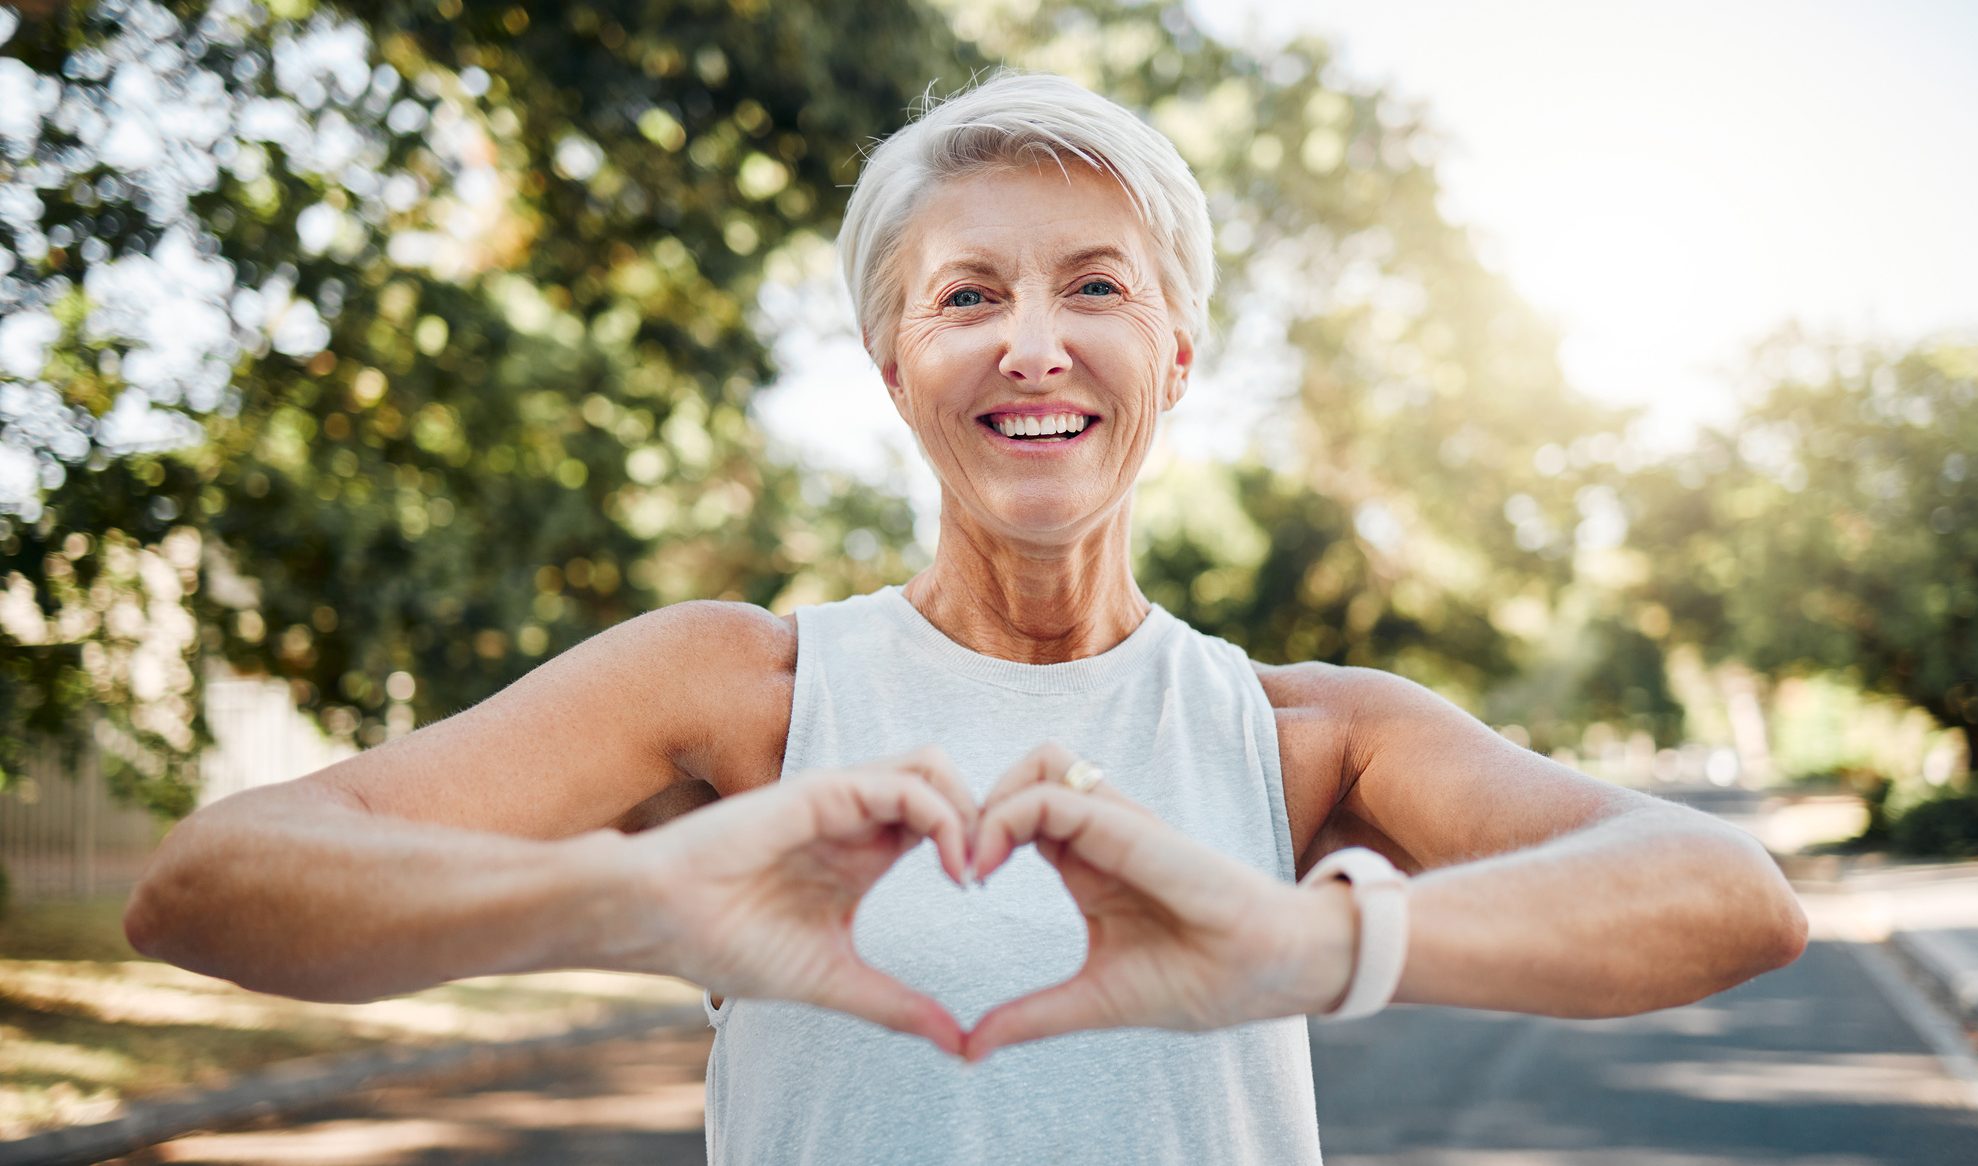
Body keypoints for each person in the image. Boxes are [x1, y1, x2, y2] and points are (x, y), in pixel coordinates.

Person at [123, 70, 1809, 1164]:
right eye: (967, 296)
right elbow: (203, 888)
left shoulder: (1304, 735)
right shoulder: (740, 692)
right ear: (893, 367)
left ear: (1176, 356)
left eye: (1095, 286)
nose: (1033, 342)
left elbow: (1729, 897)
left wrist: (1314, 942)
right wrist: (639, 896)